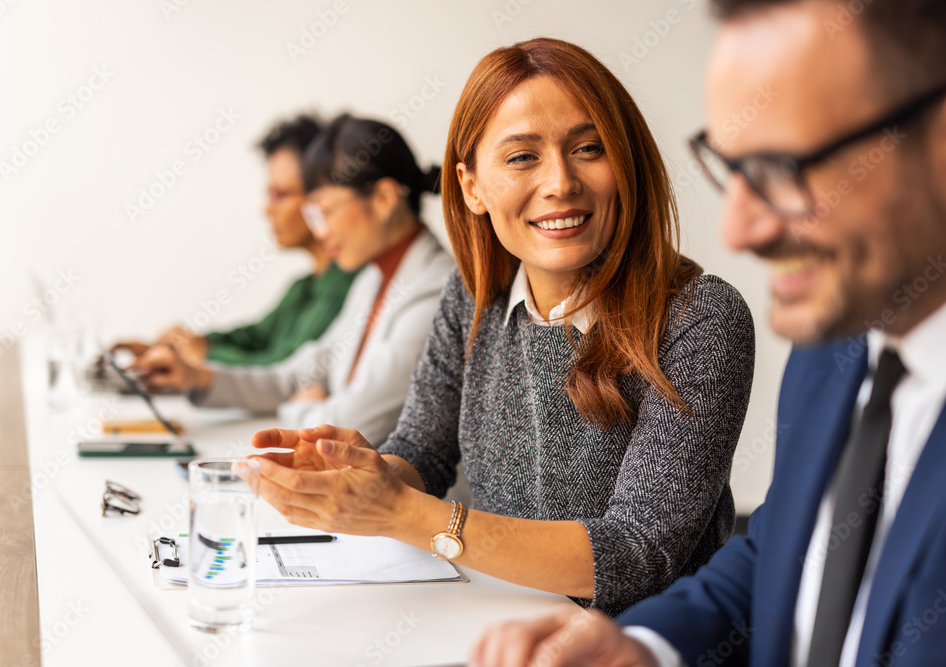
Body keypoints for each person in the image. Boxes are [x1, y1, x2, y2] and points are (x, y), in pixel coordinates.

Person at [468, 1, 946, 666]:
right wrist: (644, 645)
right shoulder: (835, 350)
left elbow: (636, 548)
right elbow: (779, 551)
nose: (741, 230)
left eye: (787, 164)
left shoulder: (706, 318)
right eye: (736, 166)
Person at [244, 38, 755, 615]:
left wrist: (404, 512)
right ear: (472, 187)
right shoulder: (475, 296)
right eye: (522, 157)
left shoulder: (701, 318)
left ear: (626, 163)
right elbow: (422, 452)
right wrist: (369, 475)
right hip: (493, 624)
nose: (561, 182)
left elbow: (635, 556)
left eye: (589, 148)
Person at [132, 114, 454, 444]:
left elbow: (350, 428)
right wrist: (198, 377)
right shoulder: (372, 281)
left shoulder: (438, 294)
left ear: (384, 198)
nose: (320, 230)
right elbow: (297, 375)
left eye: (325, 211)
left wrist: (303, 409)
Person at [115, 114, 358, 366]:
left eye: (281, 194)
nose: (266, 209)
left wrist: (204, 354)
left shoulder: (346, 288)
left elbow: (282, 373)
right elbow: (255, 338)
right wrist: (180, 348)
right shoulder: (303, 288)